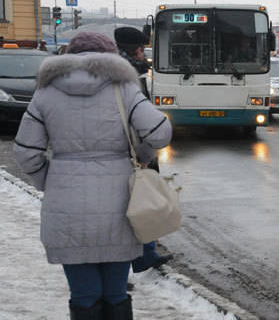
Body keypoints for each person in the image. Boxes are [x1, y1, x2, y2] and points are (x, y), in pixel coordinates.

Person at [13, 31, 172, 319]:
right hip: (120, 205)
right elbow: (160, 132)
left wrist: (49, 180)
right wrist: (143, 155)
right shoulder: (124, 88)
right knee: (116, 294)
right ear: (110, 56)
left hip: (65, 206)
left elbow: (26, 152)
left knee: (84, 296)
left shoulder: (46, 92)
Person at [114, 26, 174, 274]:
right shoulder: (123, 76)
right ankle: (139, 257)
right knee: (141, 202)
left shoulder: (128, 72)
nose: (143, 54)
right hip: (132, 151)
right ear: (133, 49)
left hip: (135, 148)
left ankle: (145, 253)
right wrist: (145, 152)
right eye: (141, 49)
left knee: (142, 200)